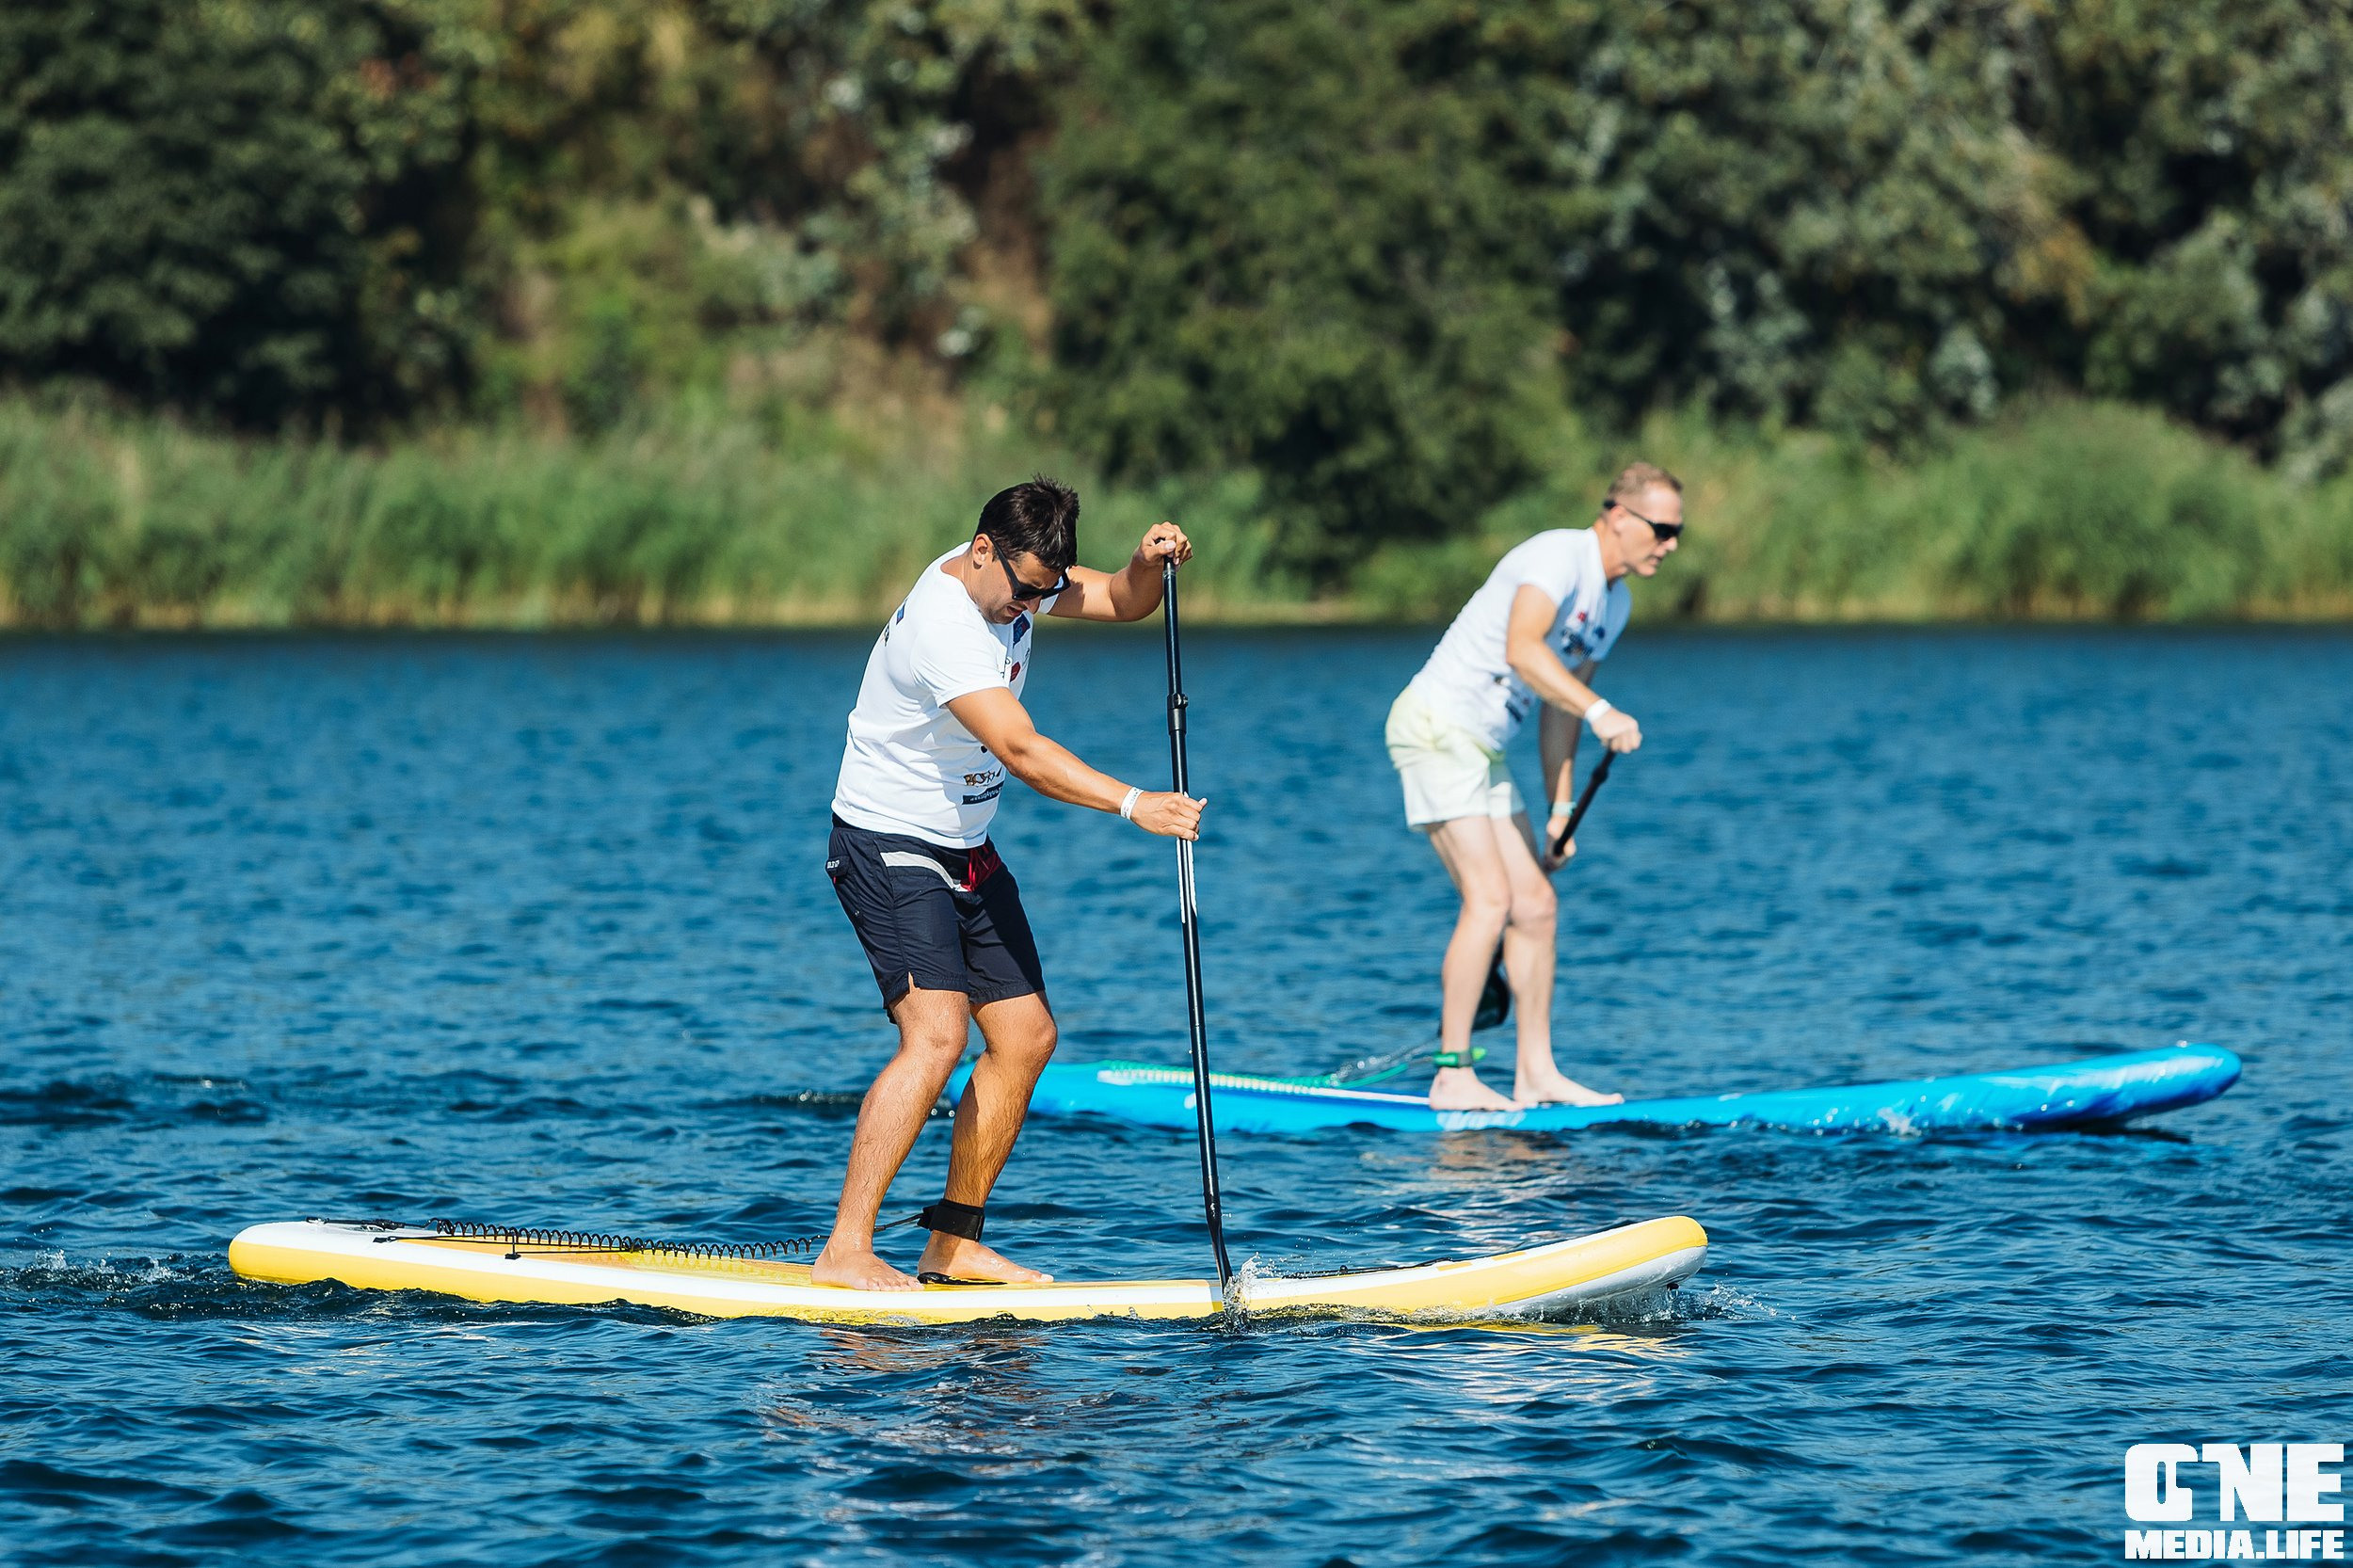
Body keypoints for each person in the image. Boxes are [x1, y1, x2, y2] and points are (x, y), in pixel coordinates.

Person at [814, 477, 1202, 1291]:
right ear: (982, 549)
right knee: (937, 1036)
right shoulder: (946, 626)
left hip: (965, 845)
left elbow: (1126, 604)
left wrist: (1143, 562)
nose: (1029, 606)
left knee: (1026, 1039)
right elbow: (1022, 752)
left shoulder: (1018, 580)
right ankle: (846, 1248)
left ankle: (950, 1241)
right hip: (888, 841)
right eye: (1023, 589)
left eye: (1045, 591)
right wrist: (1134, 804)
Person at [1383, 462, 1685, 1112]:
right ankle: (1452, 1073)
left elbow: (1559, 709)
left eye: (1677, 532)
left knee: (1537, 906)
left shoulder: (1617, 603)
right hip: (1435, 727)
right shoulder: (1557, 557)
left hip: (1482, 748)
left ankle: (1536, 1073)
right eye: (1662, 529)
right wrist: (1602, 711)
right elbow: (1524, 650)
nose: (1671, 544)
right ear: (1619, 517)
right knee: (1490, 901)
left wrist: (1561, 807)